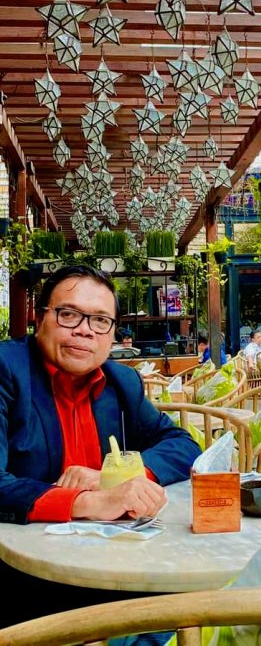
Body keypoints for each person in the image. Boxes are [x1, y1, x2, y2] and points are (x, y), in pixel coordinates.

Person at [0, 265, 202, 626]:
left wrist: (120, 477)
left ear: (111, 335)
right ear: (39, 318)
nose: (85, 329)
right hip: (25, 581)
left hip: (118, 569)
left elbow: (182, 444)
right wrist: (91, 501)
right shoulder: (7, 369)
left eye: (100, 320)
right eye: (68, 314)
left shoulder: (121, 381)